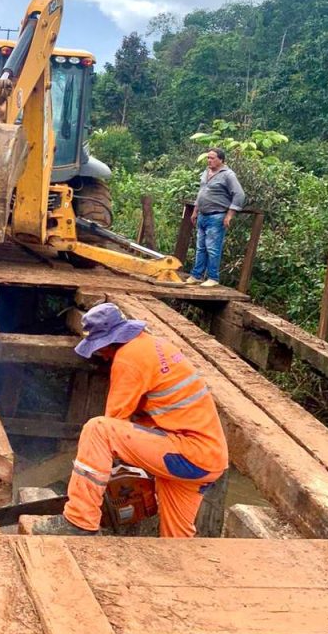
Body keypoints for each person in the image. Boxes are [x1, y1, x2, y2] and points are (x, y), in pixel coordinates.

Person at [32, 302, 228, 538]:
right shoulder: (156, 345)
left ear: (108, 342)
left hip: (187, 451)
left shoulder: (128, 358)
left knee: (98, 430)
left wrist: (105, 471)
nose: (101, 356)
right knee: (177, 540)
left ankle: (79, 520)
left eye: (99, 349)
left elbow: (114, 423)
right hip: (208, 459)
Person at [186, 147, 246, 287]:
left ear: (221, 160)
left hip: (217, 215)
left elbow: (239, 194)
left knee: (212, 248)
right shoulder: (206, 172)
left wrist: (229, 215)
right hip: (202, 215)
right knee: (200, 247)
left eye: (212, 158)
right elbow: (201, 192)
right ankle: (197, 275)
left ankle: (213, 278)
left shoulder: (228, 175)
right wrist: (195, 211)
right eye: (208, 157)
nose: (209, 160)